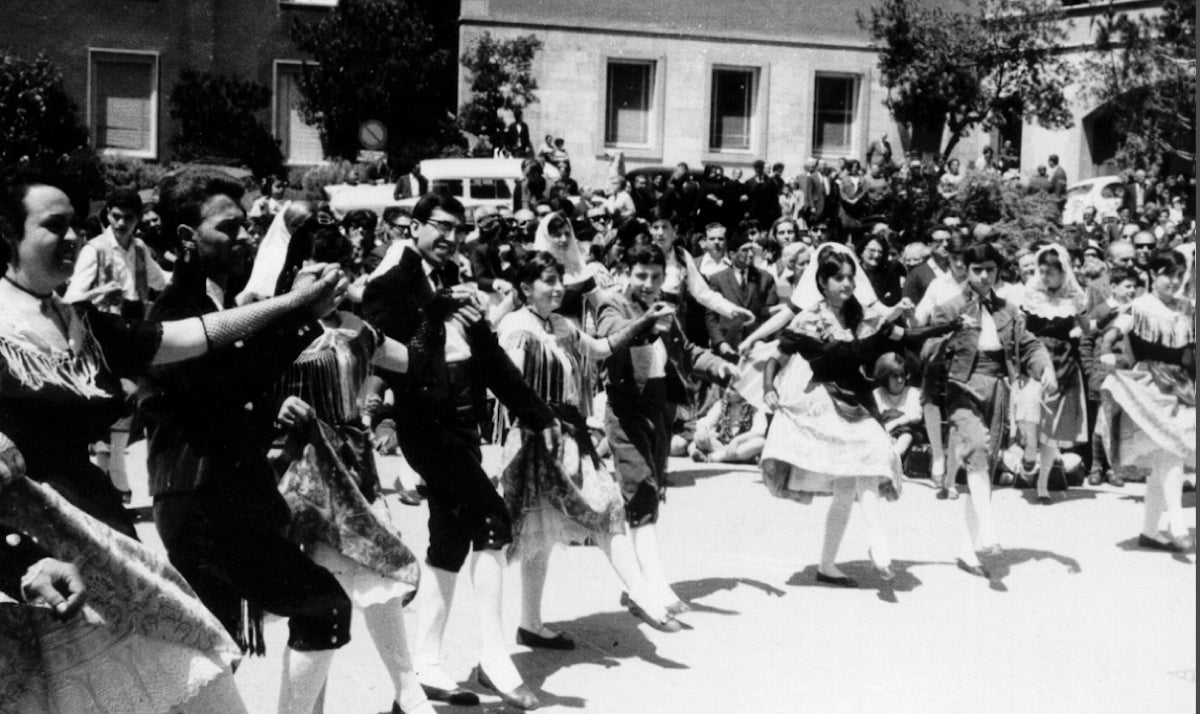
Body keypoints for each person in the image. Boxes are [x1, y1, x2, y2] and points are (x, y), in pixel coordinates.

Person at [0, 174, 342, 712]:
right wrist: (20, 564)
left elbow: (193, 336)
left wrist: (294, 307)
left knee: (202, 678)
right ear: (7, 232)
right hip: (30, 560)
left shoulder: (82, 324)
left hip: (101, 538)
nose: (71, 238)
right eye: (54, 226)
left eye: (76, 226)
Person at [362, 192, 560, 711]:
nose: (450, 236)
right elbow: (396, 357)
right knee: (493, 520)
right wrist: (436, 308)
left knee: (448, 537)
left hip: (464, 421)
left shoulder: (453, 281)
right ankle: (494, 661)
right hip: (426, 426)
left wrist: (537, 415)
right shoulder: (391, 286)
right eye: (441, 226)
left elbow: (490, 357)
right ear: (415, 226)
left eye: (458, 228)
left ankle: (427, 665)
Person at [270, 226, 434, 714]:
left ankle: (409, 692)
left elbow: (412, 363)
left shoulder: (356, 326)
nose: (334, 280)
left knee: (371, 582)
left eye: (342, 268)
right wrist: (277, 405)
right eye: (321, 266)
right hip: (299, 474)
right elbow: (238, 389)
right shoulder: (271, 325)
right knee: (324, 603)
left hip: (354, 470)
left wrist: (435, 315)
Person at [498, 252, 686, 648]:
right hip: (538, 436)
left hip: (568, 430)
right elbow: (510, 384)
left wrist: (643, 322)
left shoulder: (561, 324)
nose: (556, 288)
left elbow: (600, 348)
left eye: (559, 280)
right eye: (546, 281)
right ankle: (640, 592)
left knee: (561, 524)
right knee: (598, 512)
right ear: (525, 288)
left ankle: (530, 623)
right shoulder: (516, 326)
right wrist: (538, 422)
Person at [759, 244, 955, 586]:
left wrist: (947, 326)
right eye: (838, 278)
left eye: (851, 277)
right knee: (851, 479)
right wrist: (768, 387)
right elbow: (777, 357)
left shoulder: (862, 315)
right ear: (822, 281)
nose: (847, 284)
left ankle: (867, 545)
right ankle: (834, 562)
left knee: (871, 459)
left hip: (861, 402)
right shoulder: (807, 319)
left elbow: (905, 334)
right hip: (824, 401)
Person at [595, 244, 738, 612]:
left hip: (658, 408)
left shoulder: (667, 312)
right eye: (641, 275)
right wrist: (647, 320)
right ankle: (654, 587)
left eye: (656, 277)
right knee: (640, 490)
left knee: (650, 493)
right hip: (626, 409)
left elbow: (687, 352)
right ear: (626, 272)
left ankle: (638, 584)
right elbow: (615, 335)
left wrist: (718, 367)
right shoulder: (611, 304)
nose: (648, 283)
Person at [929, 242, 1055, 579]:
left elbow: (1028, 345)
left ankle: (967, 550)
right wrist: (951, 331)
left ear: (998, 271)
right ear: (965, 270)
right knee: (977, 451)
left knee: (983, 465)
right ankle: (988, 530)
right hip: (962, 389)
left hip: (998, 388)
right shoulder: (949, 307)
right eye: (977, 270)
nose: (984, 276)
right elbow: (926, 349)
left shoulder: (1008, 310)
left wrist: (1045, 368)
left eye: (990, 270)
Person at [1096, 249, 1195, 552]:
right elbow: (1111, 333)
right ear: (1153, 274)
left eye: (1180, 276)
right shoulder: (1138, 307)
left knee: (1168, 455)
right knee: (1173, 449)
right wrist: (1108, 352)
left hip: (1181, 386)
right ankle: (1177, 519)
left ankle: (1150, 531)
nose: (1175, 282)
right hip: (1149, 384)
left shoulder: (1186, 308)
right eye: (1168, 275)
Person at [1021, 244, 1090, 503]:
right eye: (1043, 271)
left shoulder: (1074, 297)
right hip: (1036, 357)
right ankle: (1028, 451)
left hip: (1063, 362)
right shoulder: (1031, 296)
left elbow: (1087, 327)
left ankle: (1042, 484)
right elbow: (1021, 331)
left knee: (1052, 427)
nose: (1046, 276)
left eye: (1052, 272)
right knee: (1030, 409)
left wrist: (1083, 326)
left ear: (1063, 272)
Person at [1081, 265, 1139, 486]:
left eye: (1135, 286)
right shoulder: (1099, 311)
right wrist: (1090, 370)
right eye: (1127, 286)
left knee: (1118, 423)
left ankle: (1115, 468)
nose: (1132, 290)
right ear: (1113, 287)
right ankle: (1097, 467)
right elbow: (1085, 342)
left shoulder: (1137, 313)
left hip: (1127, 375)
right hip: (1103, 375)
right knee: (1102, 422)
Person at [688, 385, 768, 464]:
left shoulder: (756, 406)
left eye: (733, 389)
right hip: (721, 444)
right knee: (698, 436)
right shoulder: (721, 403)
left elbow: (759, 431)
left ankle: (715, 457)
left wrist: (737, 440)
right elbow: (705, 422)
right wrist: (703, 432)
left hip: (741, 444)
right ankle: (739, 457)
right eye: (727, 387)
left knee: (761, 442)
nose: (727, 392)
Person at [872, 352, 925, 462]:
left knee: (906, 434)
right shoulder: (878, 394)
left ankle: (893, 458)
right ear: (885, 377)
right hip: (883, 432)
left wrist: (894, 424)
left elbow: (916, 416)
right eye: (895, 376)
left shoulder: (913, 392)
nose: (900, 380)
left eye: (902, 375)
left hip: (907, 433)